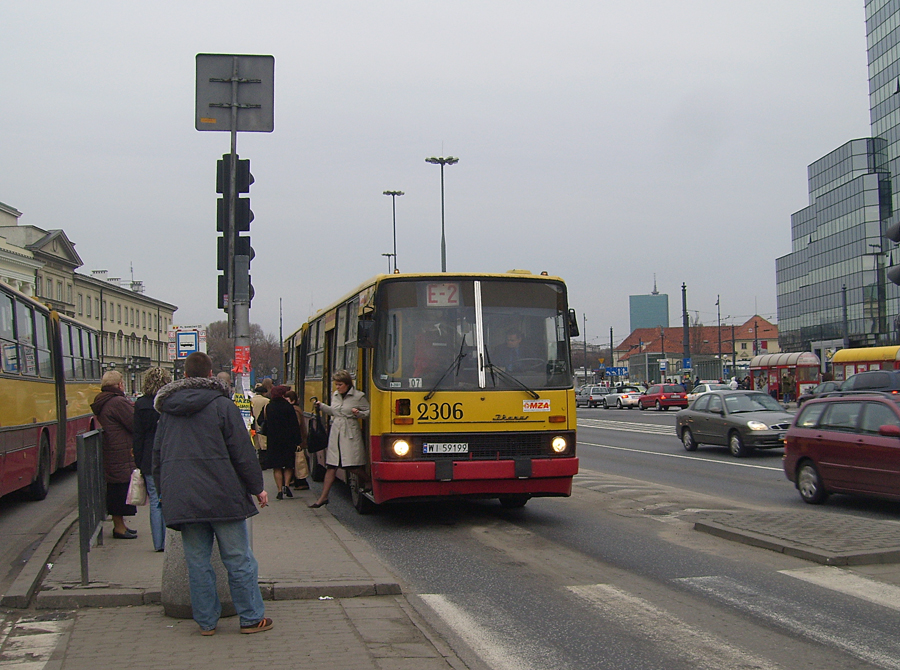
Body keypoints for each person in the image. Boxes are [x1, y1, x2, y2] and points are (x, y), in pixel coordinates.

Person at [152, 351, 272, 636]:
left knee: (197, 562)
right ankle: (251, 618)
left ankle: (206, 623)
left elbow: (157, 456)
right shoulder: (222, 405)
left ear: (183, 375)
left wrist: (162, 492)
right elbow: (242, 451)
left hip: (184, 497)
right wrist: (257, 487)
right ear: (209, 375)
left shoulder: (167, 410)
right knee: (238, 559)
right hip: (223, 494)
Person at [309, 370, 370, 508]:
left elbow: (368, 412)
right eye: (336, 384)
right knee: (331, 466)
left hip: (350, 433)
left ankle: (368, 480)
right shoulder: (335, 395)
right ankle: (323, 498)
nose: (337, 387)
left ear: (347, 384)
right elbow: (333, 411)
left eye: (340, 384)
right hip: (336, 433)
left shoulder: (359, 396)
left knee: (352, 466)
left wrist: (358, 413)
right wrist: (322, 406)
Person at [90, 370, 137, 540]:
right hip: (121, 450)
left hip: (114, 449)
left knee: (117, 488)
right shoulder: (117, 402)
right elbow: (133, 422)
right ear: (119, 385)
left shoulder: (104, 400)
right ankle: (119, 527)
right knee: (120, 490)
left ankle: (121, 525)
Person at [132, 367, 172, 552]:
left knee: (155, 501)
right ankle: (171, 539)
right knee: (169, 497)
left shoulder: (141, 404)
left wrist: (138, 461)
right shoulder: (169, 403)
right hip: (169, 453)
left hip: (148, 455)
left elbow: (137, 435)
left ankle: (158, 543)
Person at [264, 385, 304, 500]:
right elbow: (294, 425)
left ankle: (279, 490)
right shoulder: (288, 407)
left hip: (274, 440)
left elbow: (263, 421)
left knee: (277, 466)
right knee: (288, 465)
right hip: (288, 440)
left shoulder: (269, 406)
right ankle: (286, 485)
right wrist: (298, 441)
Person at [284, 389, 310, 490]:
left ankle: (301, 482)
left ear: (293, 400)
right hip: (299, 438)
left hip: (298, 439)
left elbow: (297, 423)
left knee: (299, 462)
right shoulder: (296, 409)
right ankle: (296, 480)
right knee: (297, 461)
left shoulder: (294, 410)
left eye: (287, 400)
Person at [250, 384, 270, 465]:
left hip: (253, 423)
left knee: (256, 442)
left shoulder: (251, 400)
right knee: (264, 443)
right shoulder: (267, 401)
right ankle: (264, 461)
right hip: (263, 423)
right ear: (264, 393)